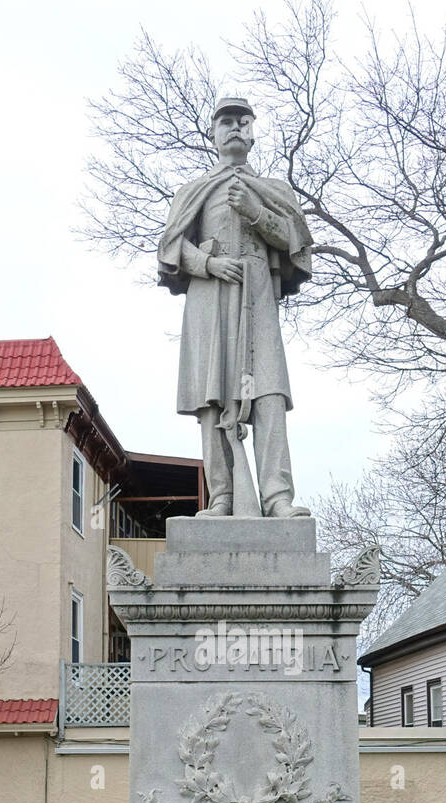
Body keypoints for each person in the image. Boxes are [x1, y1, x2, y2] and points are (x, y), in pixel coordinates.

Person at [158, 97, 313, 518]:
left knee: (269, 395)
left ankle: (277, 496)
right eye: (226, 121)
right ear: (213, 132)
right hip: (210, 299)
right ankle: (222, 497)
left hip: (258, 294)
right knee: (212, 400)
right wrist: (208, 263)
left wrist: (256, 212)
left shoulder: (273, 190)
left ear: (252, 132)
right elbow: (170, 248)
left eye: (243, 122)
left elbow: (296, 240)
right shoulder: (193, 192)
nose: (235, 128)